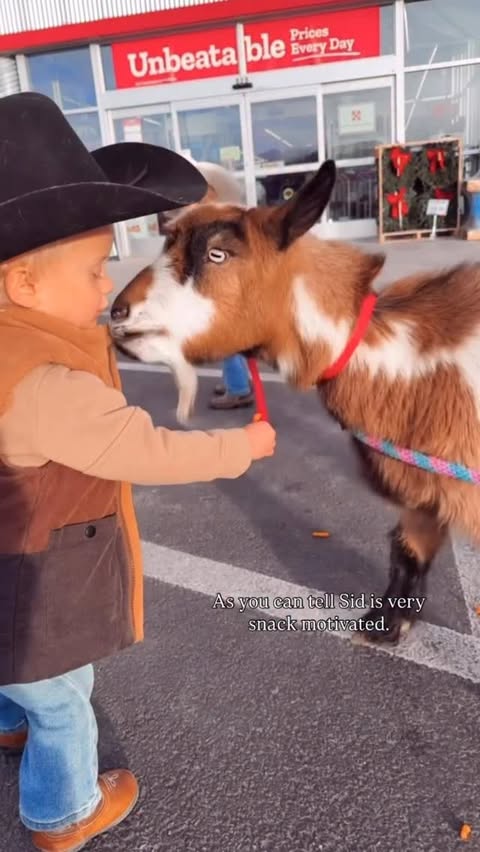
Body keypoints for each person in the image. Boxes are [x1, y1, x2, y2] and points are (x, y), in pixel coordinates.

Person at [0, 91, 276, 852]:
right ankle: (63, 813)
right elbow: (142, 448)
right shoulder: (40, 383)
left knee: (19, 678)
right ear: (24, 285)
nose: (106, 289)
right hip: (28, 584)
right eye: (94, 271)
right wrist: (237, 449)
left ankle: (8, 716)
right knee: (64, 696)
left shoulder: (12, 343)